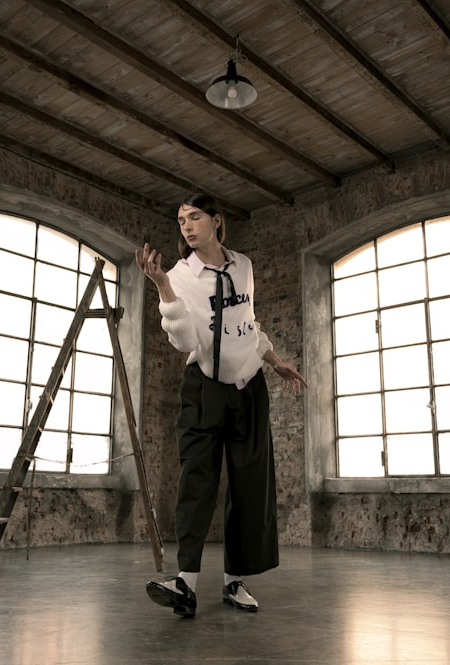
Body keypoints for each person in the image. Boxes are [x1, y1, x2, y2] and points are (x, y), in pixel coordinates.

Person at [135, 193, 308, 618]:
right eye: (180, 220)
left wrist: (275, 361)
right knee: (196, 482)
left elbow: (248, 325)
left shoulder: (244, 266)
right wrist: (162, 288)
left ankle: (234, 583)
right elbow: (184, 341)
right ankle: (185, 584)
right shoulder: (180, 275)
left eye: (194, 217)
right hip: (205, 387)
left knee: (250, 487)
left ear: (216, 221)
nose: (187, 226)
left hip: (249, 387)